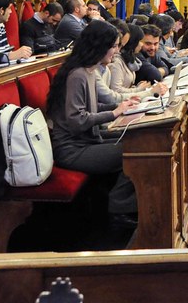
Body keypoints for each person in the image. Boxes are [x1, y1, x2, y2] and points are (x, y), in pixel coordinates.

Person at [46, 20, 142, 230]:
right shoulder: (78, 74)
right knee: (136, 152)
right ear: (99, 46)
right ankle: (118, 210)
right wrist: (113, 113)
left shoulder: (88, 71)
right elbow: (76, 120)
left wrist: (120, 106)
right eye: (114, 46)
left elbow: (91, 105)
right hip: (72, 148)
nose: (117, 51)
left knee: (137, 138)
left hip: (86, 139)